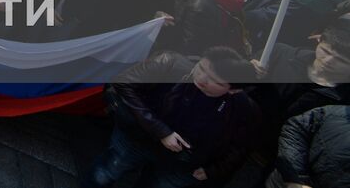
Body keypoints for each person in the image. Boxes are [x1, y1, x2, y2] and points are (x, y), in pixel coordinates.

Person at [90, 47, 261, 187]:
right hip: (138, 139)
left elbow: (240, 146)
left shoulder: (243, 108)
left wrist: (213, 170)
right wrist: (161, 131)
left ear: (233, 90)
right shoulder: (170, 63)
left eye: (215, 81)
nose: (201, 79)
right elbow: (123, 82)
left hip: (182, 164)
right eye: (201, 68)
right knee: (104, 175)